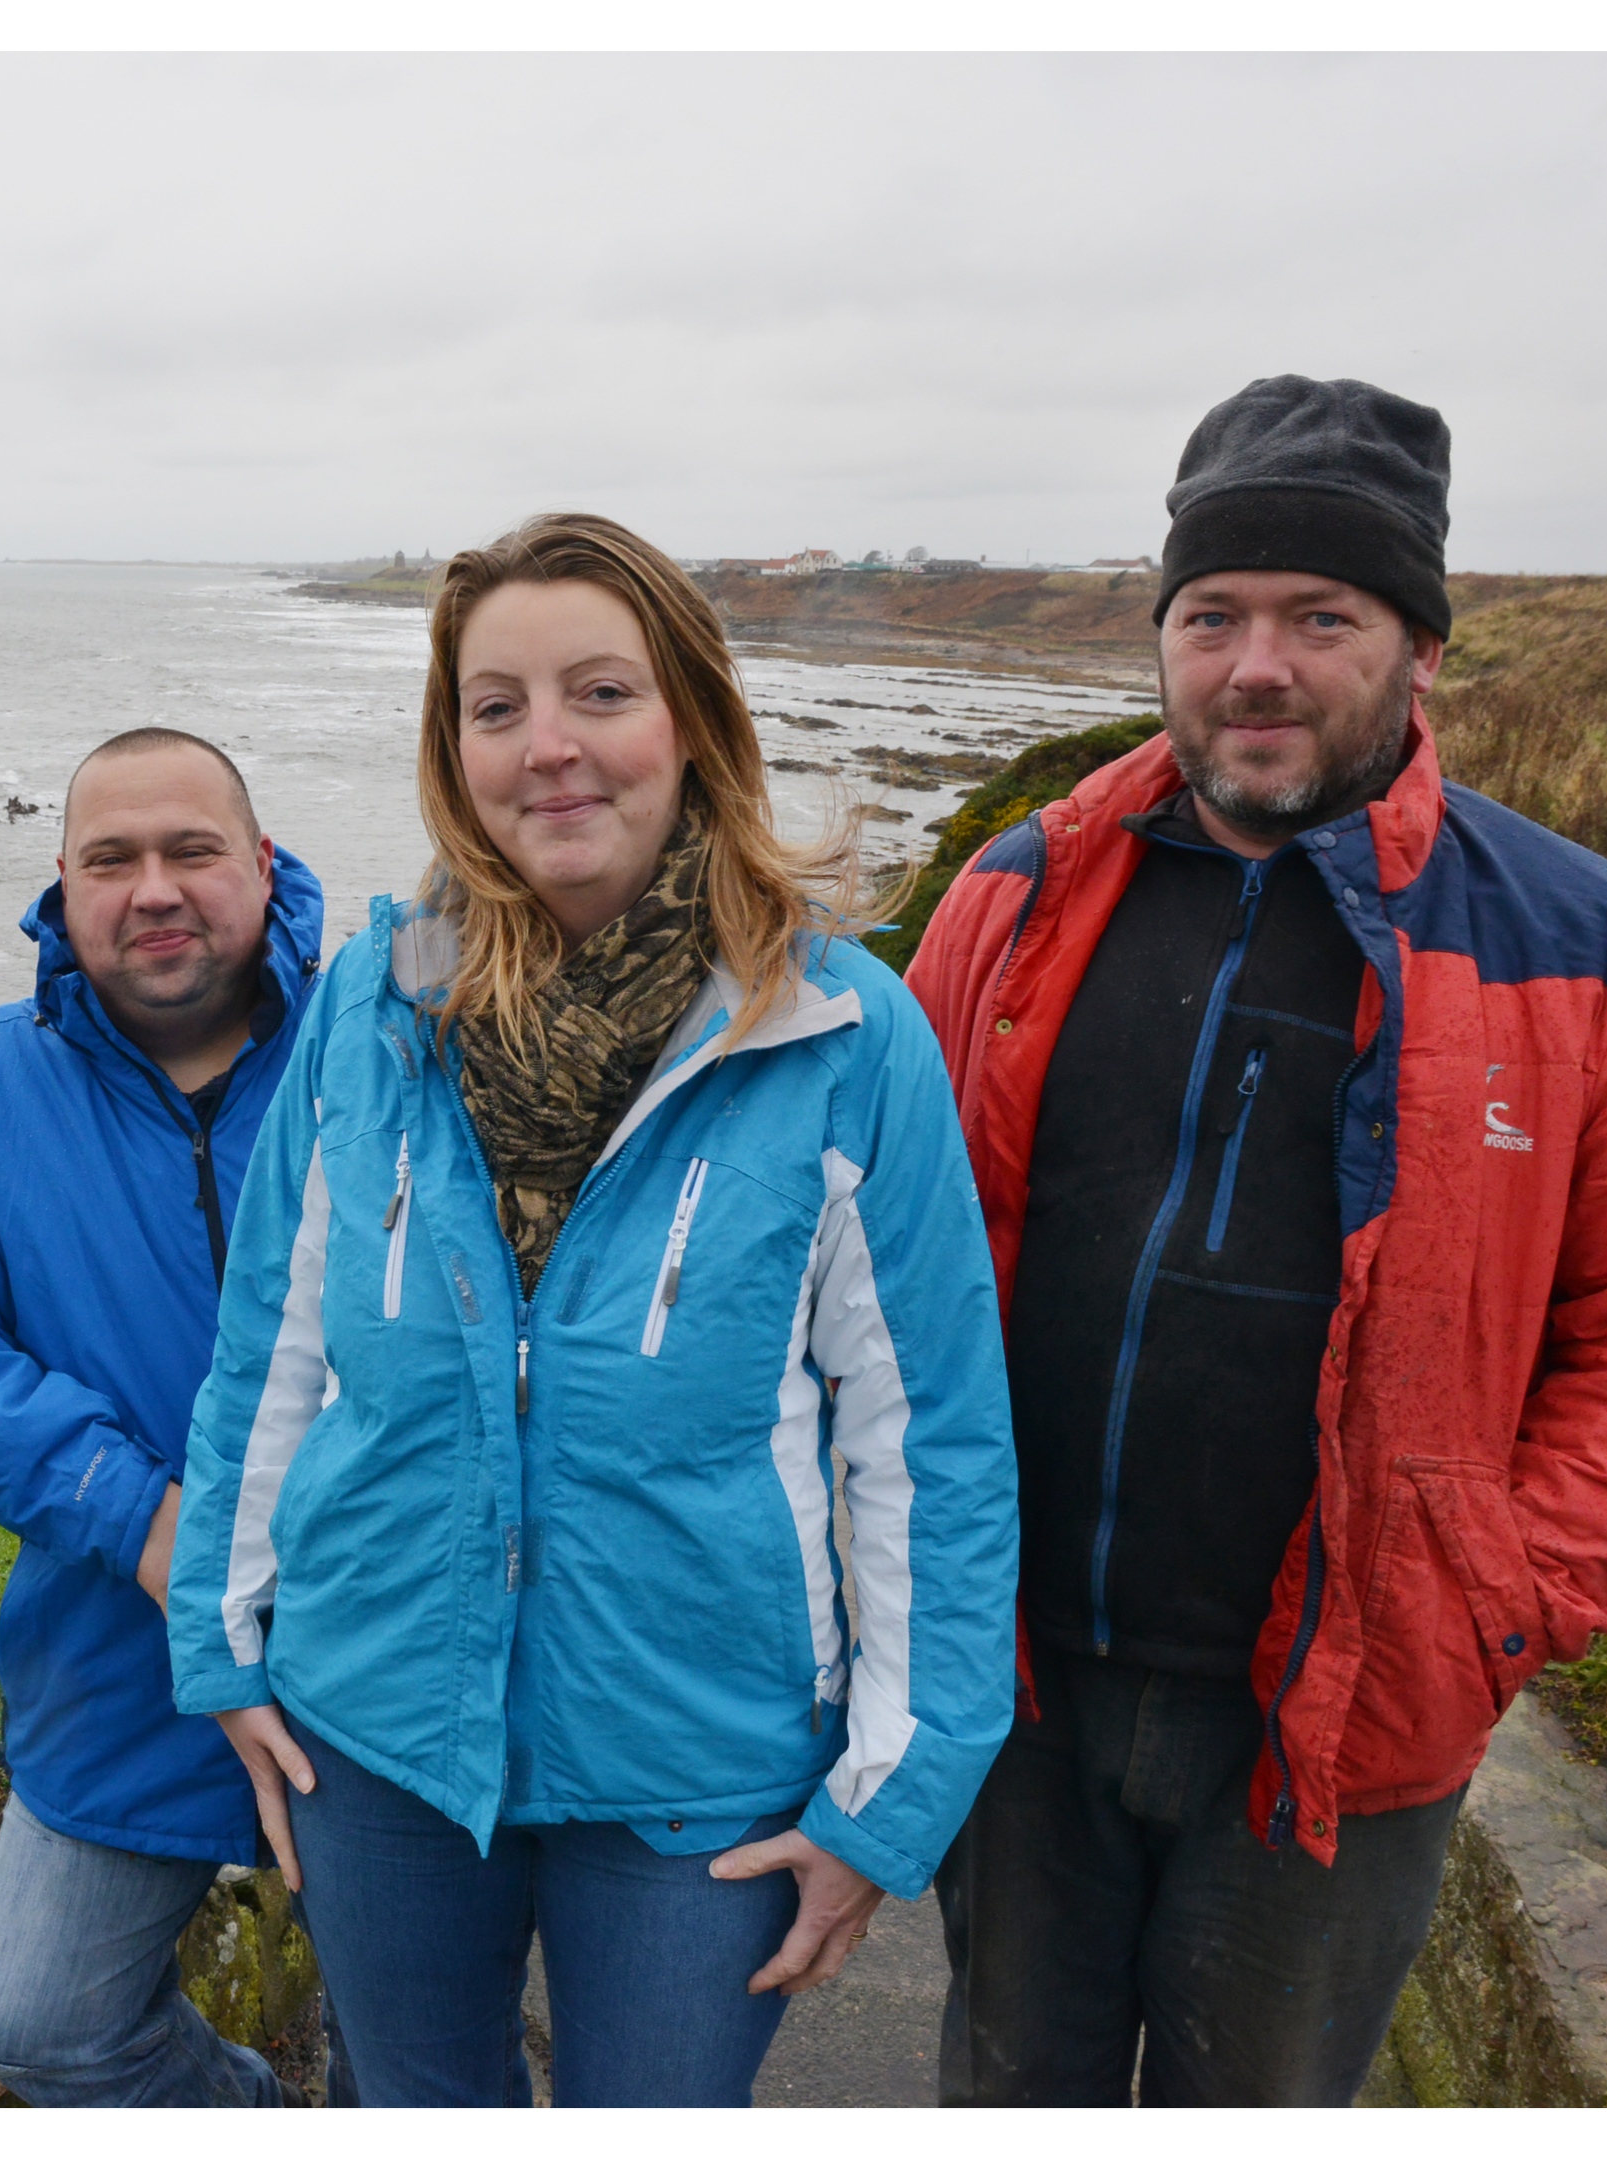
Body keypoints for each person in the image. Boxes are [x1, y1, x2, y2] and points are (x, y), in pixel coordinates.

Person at [901, 375, 1607, 2105]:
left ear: (1423, 650)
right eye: (1213, 615)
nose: (1258, 665)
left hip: (1341, 1719)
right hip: (1021, 1690)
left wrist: (1496, 1601)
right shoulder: (1014, 892)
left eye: (1325, 617)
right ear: (1162, 634)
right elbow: (879, 1252)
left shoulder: (1600, 952)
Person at [161, 513, 1021, 2108]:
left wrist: (895, 1791)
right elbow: (270, 1352)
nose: (549, 748)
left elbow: (930, 1438)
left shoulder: (841, 1031)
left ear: (689, 721)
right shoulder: (372, 1003)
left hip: (698, 1766)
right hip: (379, 1732)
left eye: (600, 694)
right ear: (454, 751)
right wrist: (222, 1643)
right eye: (498, 708)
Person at [0, 726, 331, 2107]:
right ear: (63, 886)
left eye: (192, 851)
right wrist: (143, 1517)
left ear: (263, 863)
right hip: (122, 1653)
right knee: (39, 2019)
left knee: (412, 2054)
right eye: (112, 859)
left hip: (370, 1658)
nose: (153, 889)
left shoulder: (381, 1051)